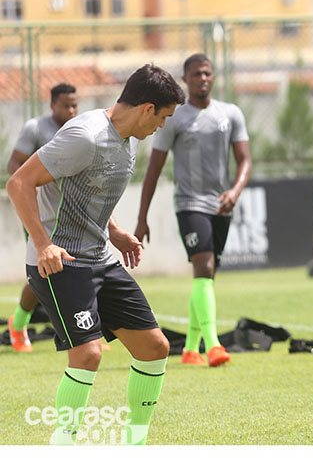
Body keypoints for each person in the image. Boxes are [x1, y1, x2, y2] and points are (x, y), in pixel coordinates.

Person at [5, 64, 185, 444]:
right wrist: (42, 243)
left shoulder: (130, 138)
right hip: (62, 262)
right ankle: (64, 443)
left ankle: (135, 444)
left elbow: (91, 188)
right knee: (88, 354)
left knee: (155, 348)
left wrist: (115, 231)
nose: (162, 126)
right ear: (147, 109)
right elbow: (19, 182)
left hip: (101, 258)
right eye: (164, 117)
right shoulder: (84, 136)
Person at [135, 53, 252, 368]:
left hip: (221, 205)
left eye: (207, 73)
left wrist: (235, 191)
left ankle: (189, 348)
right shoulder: (174, 117)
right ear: (185, 79)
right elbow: (154, 169)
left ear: (213, 77)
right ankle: (213, 345)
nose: (202, 78)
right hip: (189, 204)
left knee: (207, 277)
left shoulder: (230, 114)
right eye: (196, 74)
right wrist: (142, 217)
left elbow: (245, 160)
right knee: (204, 266)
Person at [6, 83, 78, 352]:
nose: (71, 110)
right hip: (39, 213)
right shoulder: (35, 128)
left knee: (82, 267)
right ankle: (18, 324)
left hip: (71, 211)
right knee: (44, 271)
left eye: (75, 105)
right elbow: (14, 163)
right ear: (52, 105)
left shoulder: (79, 130)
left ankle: (86, 330)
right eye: (65, 105)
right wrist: (32, 188)